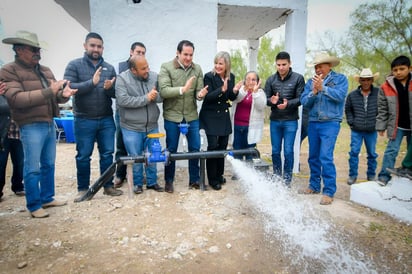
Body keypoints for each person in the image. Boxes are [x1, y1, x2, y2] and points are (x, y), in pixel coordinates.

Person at [0, 30, 77, 217]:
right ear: (18, 50)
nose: (37, 52)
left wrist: (62, 95)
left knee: (48, 164)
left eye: (38, 48)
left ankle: (47, 198)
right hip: (30, 124)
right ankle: (34, 205)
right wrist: (51, 92)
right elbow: (17, 99)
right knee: (32, 167)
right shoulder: (8, 71)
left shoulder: (45, 70)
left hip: (49, 121)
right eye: (32, 48)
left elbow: (53, 96)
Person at [64, 32, 123, 200]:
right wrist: (92, 83)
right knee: (83, 155)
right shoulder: (74, 65)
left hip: (105, 118)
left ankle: (108, 186)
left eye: (99, 46)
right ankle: (83, 188)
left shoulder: (109, 68)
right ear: (85, 46)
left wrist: (109, 88)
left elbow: (114, 95)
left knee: (107, 154)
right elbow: (68, 87)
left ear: (103, 48)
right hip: (84, 119)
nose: (96, 49)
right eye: (92, 45)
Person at [158, 40, 208, 193]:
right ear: (177, 53)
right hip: (172, 116)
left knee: (195, 148)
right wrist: (183, 89)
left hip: (192, 115)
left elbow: (199, 92)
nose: (188, 58)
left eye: (191, 55)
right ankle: (169, 181)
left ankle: (194, 180)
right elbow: (164, 91)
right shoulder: (166, 67)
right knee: (171, 149)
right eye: (185, 54)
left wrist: (200, 95)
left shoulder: (197, 68)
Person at [299, 52, 348, 205]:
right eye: (316, 66)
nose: (318, 69)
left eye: (320, 66)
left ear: (329, 66)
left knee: (325, 156)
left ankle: (329, 191)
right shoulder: (310, 82)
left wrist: (323, 89)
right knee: (313, 156)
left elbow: (340, 96)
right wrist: (313, 92)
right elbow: (304, 101)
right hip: (313, 122)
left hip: (330, 122)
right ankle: (314, 186)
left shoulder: (340, 79)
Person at [115, 55, 164, 194]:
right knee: (135, 156)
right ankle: (137, 184)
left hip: (152, 125)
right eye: (143, 68)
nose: (147, 70)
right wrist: (146, 98)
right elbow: (123, 101)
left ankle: (152, 182)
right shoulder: (122, 79)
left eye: (147, 66)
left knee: (153, 155)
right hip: (131, 127)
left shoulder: (154, 77)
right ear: (133, 70)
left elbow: (161, 96)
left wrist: (156, 96)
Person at [199, 51, 241, 190]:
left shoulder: (231, 77)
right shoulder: (209, 76)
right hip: (210, 116)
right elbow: (208, 97)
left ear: (227, 65)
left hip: (223, 116)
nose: (217, 66)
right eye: (216, 63)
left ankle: (219, 175)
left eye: (220, 63)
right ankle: (212, 179)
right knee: (212, 146)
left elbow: (231, 97)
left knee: (222, 147)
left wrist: (234, 91)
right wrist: (221, 90)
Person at [264, 51, 305, 185]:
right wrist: (272, 101)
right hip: (275, 120)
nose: (281, 67)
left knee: (288, 151)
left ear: (289, 63)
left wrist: (288, 104)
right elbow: (265, 98)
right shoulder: (271, 79)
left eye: (284, 64)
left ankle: (287, 180)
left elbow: (301, 98)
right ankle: (277, 177)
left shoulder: (298, 78)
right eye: (278, 65)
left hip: (290, 121)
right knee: (275, 151)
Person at [114, 42, 147, 188]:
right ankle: (120, 175)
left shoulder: (145, 70)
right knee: (121, 145)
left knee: (139, 149)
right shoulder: (121, 68)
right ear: (131, 52)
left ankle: (137, 177)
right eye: (138, 52)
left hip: (139, 115)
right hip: (122, 113)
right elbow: (120, 95)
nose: (140, 55)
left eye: (143, 53)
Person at [376, 55, 412, 186]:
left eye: (402, 69)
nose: (398, 72)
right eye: (395, 70)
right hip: (397, 125)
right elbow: (382, 109)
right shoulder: (385, 87)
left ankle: (409, 171)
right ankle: (383, 176)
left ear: (409, 68)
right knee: (391, 151)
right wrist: (381, 126)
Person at [345, 68, 380, 185]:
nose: (366, 82)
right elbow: (348, 109)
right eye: (363, 80)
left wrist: (378, 123)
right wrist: (351, 122)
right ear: (359, 81)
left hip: (372, 129)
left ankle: (371, 175)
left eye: (368, 80)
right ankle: (352, 176)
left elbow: (382, 108)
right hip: (357, 130)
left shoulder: (378, 93)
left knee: (372, 154)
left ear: (372, 81)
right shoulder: (352, 95)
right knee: (354, 153)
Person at [231, 71, 266, 179]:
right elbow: (237, 98)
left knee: (250, 150)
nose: (251, 81)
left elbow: (261, 106)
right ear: (244, 81)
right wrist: (241, 90)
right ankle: (238, 173)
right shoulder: (240, 91)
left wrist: (254, 93)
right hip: (237, 125)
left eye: (253, 79)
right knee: (237, 150)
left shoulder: (260, 93)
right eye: (248, 79)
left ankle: (249, 173)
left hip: (251, 127)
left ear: (257, 81)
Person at [0, 81, 25, 200]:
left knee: (20, 162)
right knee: (1, 163)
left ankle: (18, 186)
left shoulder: (21, 93)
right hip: (3, 135)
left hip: (18, 134)